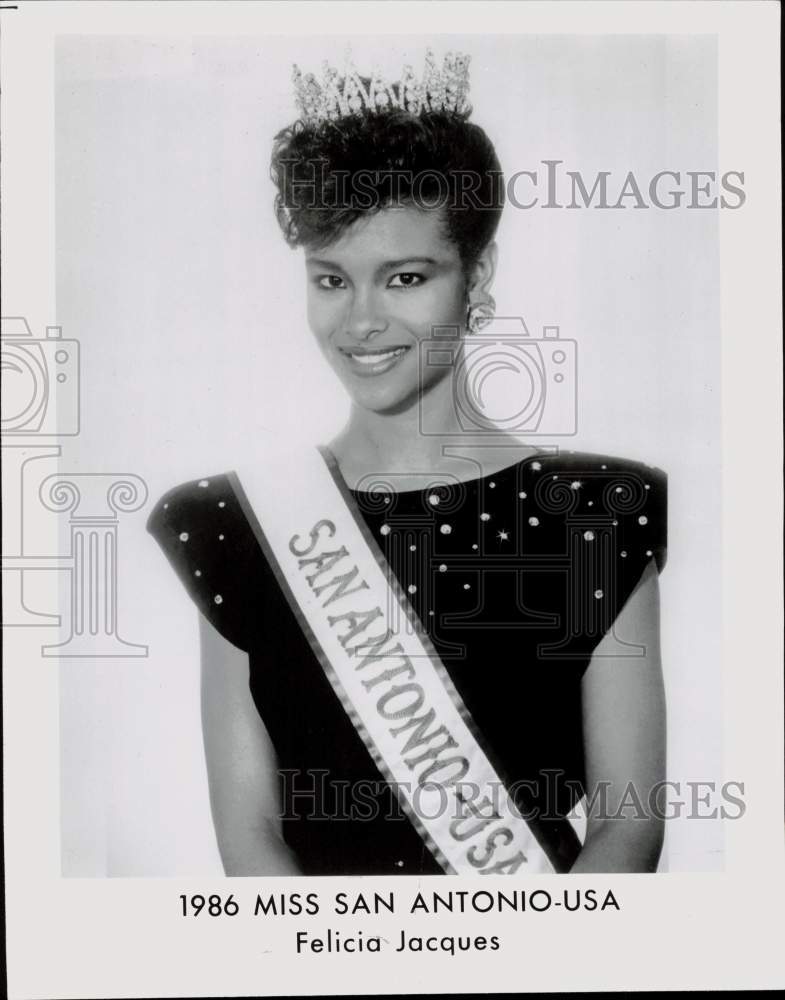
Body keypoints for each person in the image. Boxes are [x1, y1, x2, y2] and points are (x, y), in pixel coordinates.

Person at [147, 50, 667, 876]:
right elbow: (250, 840)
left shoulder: (600, 508)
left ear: (477, 274)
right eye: (330, 280)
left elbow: (626, 830)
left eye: (406, 277)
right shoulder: (233, 522)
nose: (360, 321)